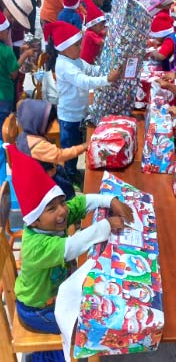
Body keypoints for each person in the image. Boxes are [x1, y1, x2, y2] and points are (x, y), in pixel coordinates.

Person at [6, 144, 132, 362]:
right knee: (87, 324)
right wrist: (106, 226)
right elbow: (72, 246)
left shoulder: (53, 221)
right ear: (34, 219)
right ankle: (47, 356)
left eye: (61, 202)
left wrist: (109, 200)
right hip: (38, 309)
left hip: (55, 295)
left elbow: (81, 203)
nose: (62, 211)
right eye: (52, 208)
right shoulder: (36, 244)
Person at [43, 21, 122, 190]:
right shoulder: (64, 65)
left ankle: (73, 174)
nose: (81, 47)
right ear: (64, 48)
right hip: (69, 116)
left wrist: (106, 70)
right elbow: (84, 81)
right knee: (71, 150)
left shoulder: (75, 60)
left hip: (78, 113)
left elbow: (91, 70)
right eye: (77, 44)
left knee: (77, 145)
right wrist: (107, 80)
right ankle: (70, 179)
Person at [15, 99, 87, 200]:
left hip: (36, 176)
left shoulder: (24, 136)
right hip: (47, 180)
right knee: (67, 193)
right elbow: (60, 155)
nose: (50, 127)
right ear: (36, 123)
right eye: (48, 125)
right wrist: (83, 147)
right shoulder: (39, 146)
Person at [0, 11, 33, 126]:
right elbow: (13, 74)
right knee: (3, 129)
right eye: (6, 30)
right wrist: (25, 55)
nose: (8, 33)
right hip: (4, 95)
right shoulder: (6, 51)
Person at [80, 0, 106, 65]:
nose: (102, 28)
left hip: (90, 60)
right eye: (100, 26)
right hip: (87, 62)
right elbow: (102, 42)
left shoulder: (94, 31)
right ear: (93, 26)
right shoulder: (90, 34)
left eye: (103, 26)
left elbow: (103, 32)